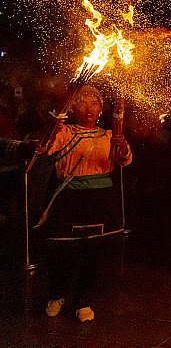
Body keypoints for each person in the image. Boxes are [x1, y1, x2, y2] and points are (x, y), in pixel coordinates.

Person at [39, 85, 132, 322]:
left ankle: (84, 301)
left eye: (94, 103)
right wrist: (52, 130)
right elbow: (46, 149)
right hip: (70, 199)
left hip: (99, 199)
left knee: (92, 253)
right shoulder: (65, 133)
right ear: (73, 107)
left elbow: (124, 161)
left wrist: (120, 145)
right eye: (82, 102)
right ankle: (56, 294)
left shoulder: (109, 134)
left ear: (101, 108)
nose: (89, 108)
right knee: (64, 250)